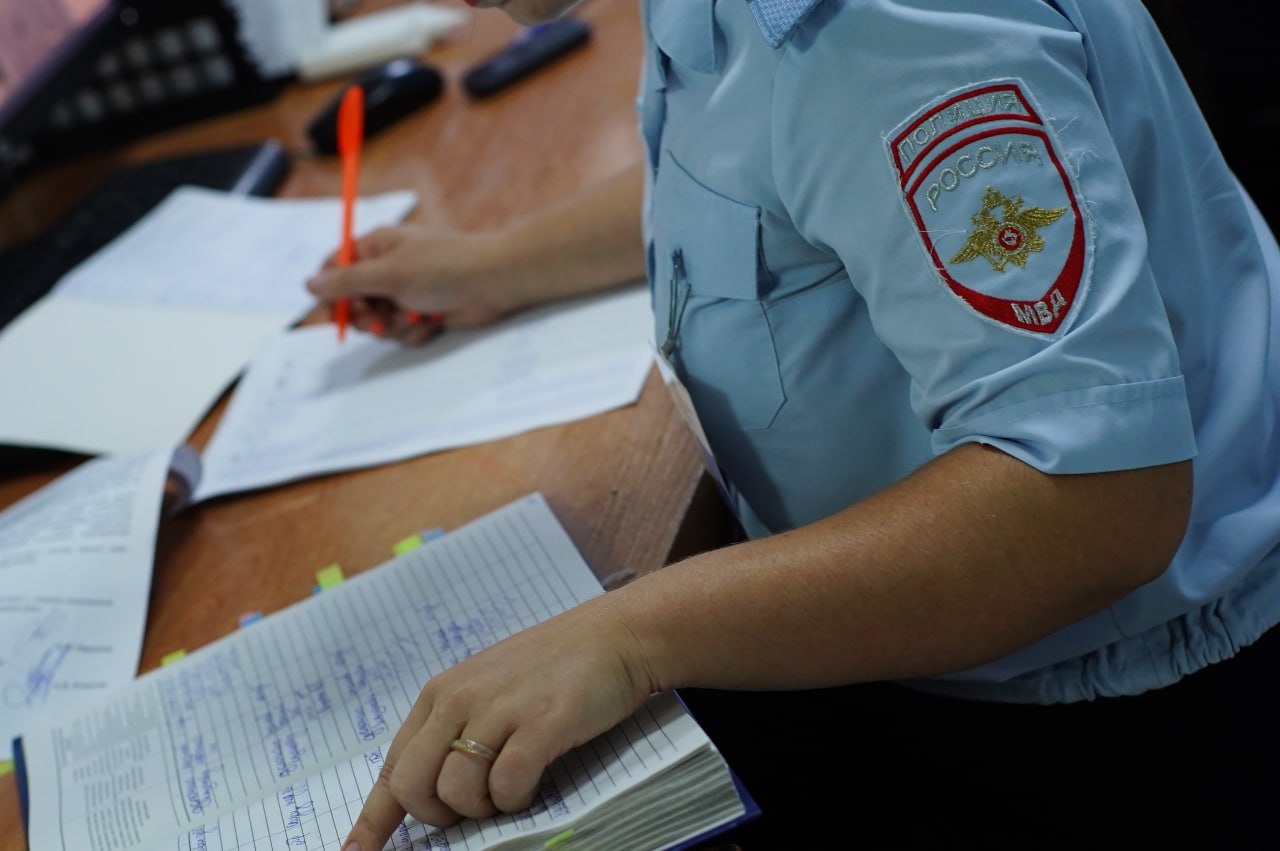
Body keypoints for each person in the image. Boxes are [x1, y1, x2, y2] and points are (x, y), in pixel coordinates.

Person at [309, 0, 1280, 847]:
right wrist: (493, 265)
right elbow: (764, 169)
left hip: (1104, 715)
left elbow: (1096, 501)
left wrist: (629, 635)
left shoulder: (879, 26)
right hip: (957, 646)